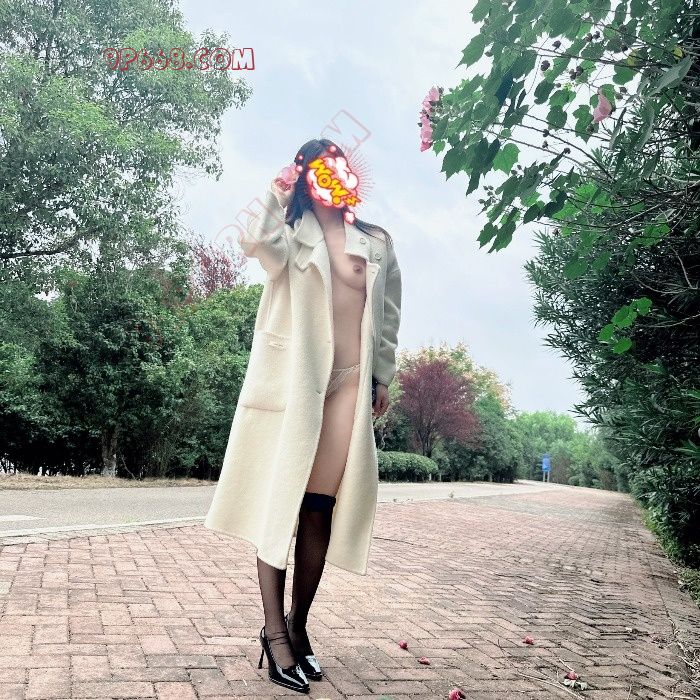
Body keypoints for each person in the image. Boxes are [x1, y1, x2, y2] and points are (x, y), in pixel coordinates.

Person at [203, 138, 402, 694]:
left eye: (339, 165)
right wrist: (276, 190)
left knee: (319, 510)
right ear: (307, 177)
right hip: (295, 385)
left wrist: (382, 375)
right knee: (279, 504)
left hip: (347, 387)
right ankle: (274, 635)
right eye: (319, 169)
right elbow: (254, 242)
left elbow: (388, 315)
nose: (333, 176)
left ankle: (299, 625)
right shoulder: (290, 237)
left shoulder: (377, 242)